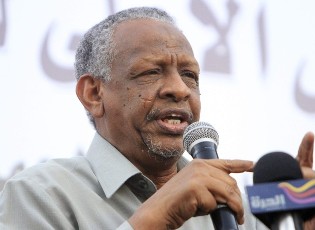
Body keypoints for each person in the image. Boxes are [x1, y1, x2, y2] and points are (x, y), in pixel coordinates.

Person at [0, 6, 314, 230]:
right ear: (94, 94)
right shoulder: (41, 194)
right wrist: (154, 218)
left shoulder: (236, 211)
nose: (180, 90)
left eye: (190, 75)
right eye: (151, 72)